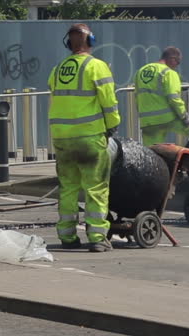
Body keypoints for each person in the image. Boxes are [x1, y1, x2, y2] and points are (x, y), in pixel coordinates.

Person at [48, 23, 120, 253]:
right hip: (89, 137)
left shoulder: (58, 68)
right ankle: (97, 236)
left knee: (68, 187)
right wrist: (112, 126)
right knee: (95, 187)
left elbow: (54, 93)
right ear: (91, 41)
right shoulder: (97, 66)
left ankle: (67, 236)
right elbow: (108, 101)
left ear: (69, 43)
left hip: (62, 138)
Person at [135, 46, 189, 147]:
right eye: (178, 62)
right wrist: (185, 117)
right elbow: (174, 99)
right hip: (169, 119)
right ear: (172, 59)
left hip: (148, 122)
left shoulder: (140, 72)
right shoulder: (168, 73)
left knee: (152, 153)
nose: (177, 66)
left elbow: (137, 97)